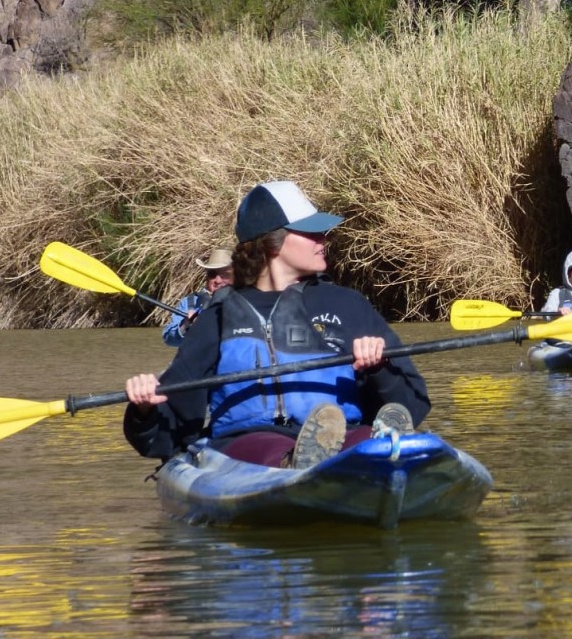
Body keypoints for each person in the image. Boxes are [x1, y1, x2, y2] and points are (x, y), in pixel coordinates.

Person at [125, 180, 431, 469]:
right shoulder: (219, 315)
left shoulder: (347, 305)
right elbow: (173, 427)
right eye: (310, 232)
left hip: (343, 433)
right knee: (266, 447)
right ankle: (294, 463)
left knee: (364, 439)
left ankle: (384, 450)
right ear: (272, 243)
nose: (323, 238)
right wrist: (144, 409)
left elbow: (415, 403)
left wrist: (380, 369)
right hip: (250, 442)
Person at [161, 248, 234, 347]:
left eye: (224, 275)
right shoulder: (189, 302)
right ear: (206, 276)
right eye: (212, 274)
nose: (217, 280)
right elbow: (169, 340)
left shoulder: (244, 301)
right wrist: (186, 326)